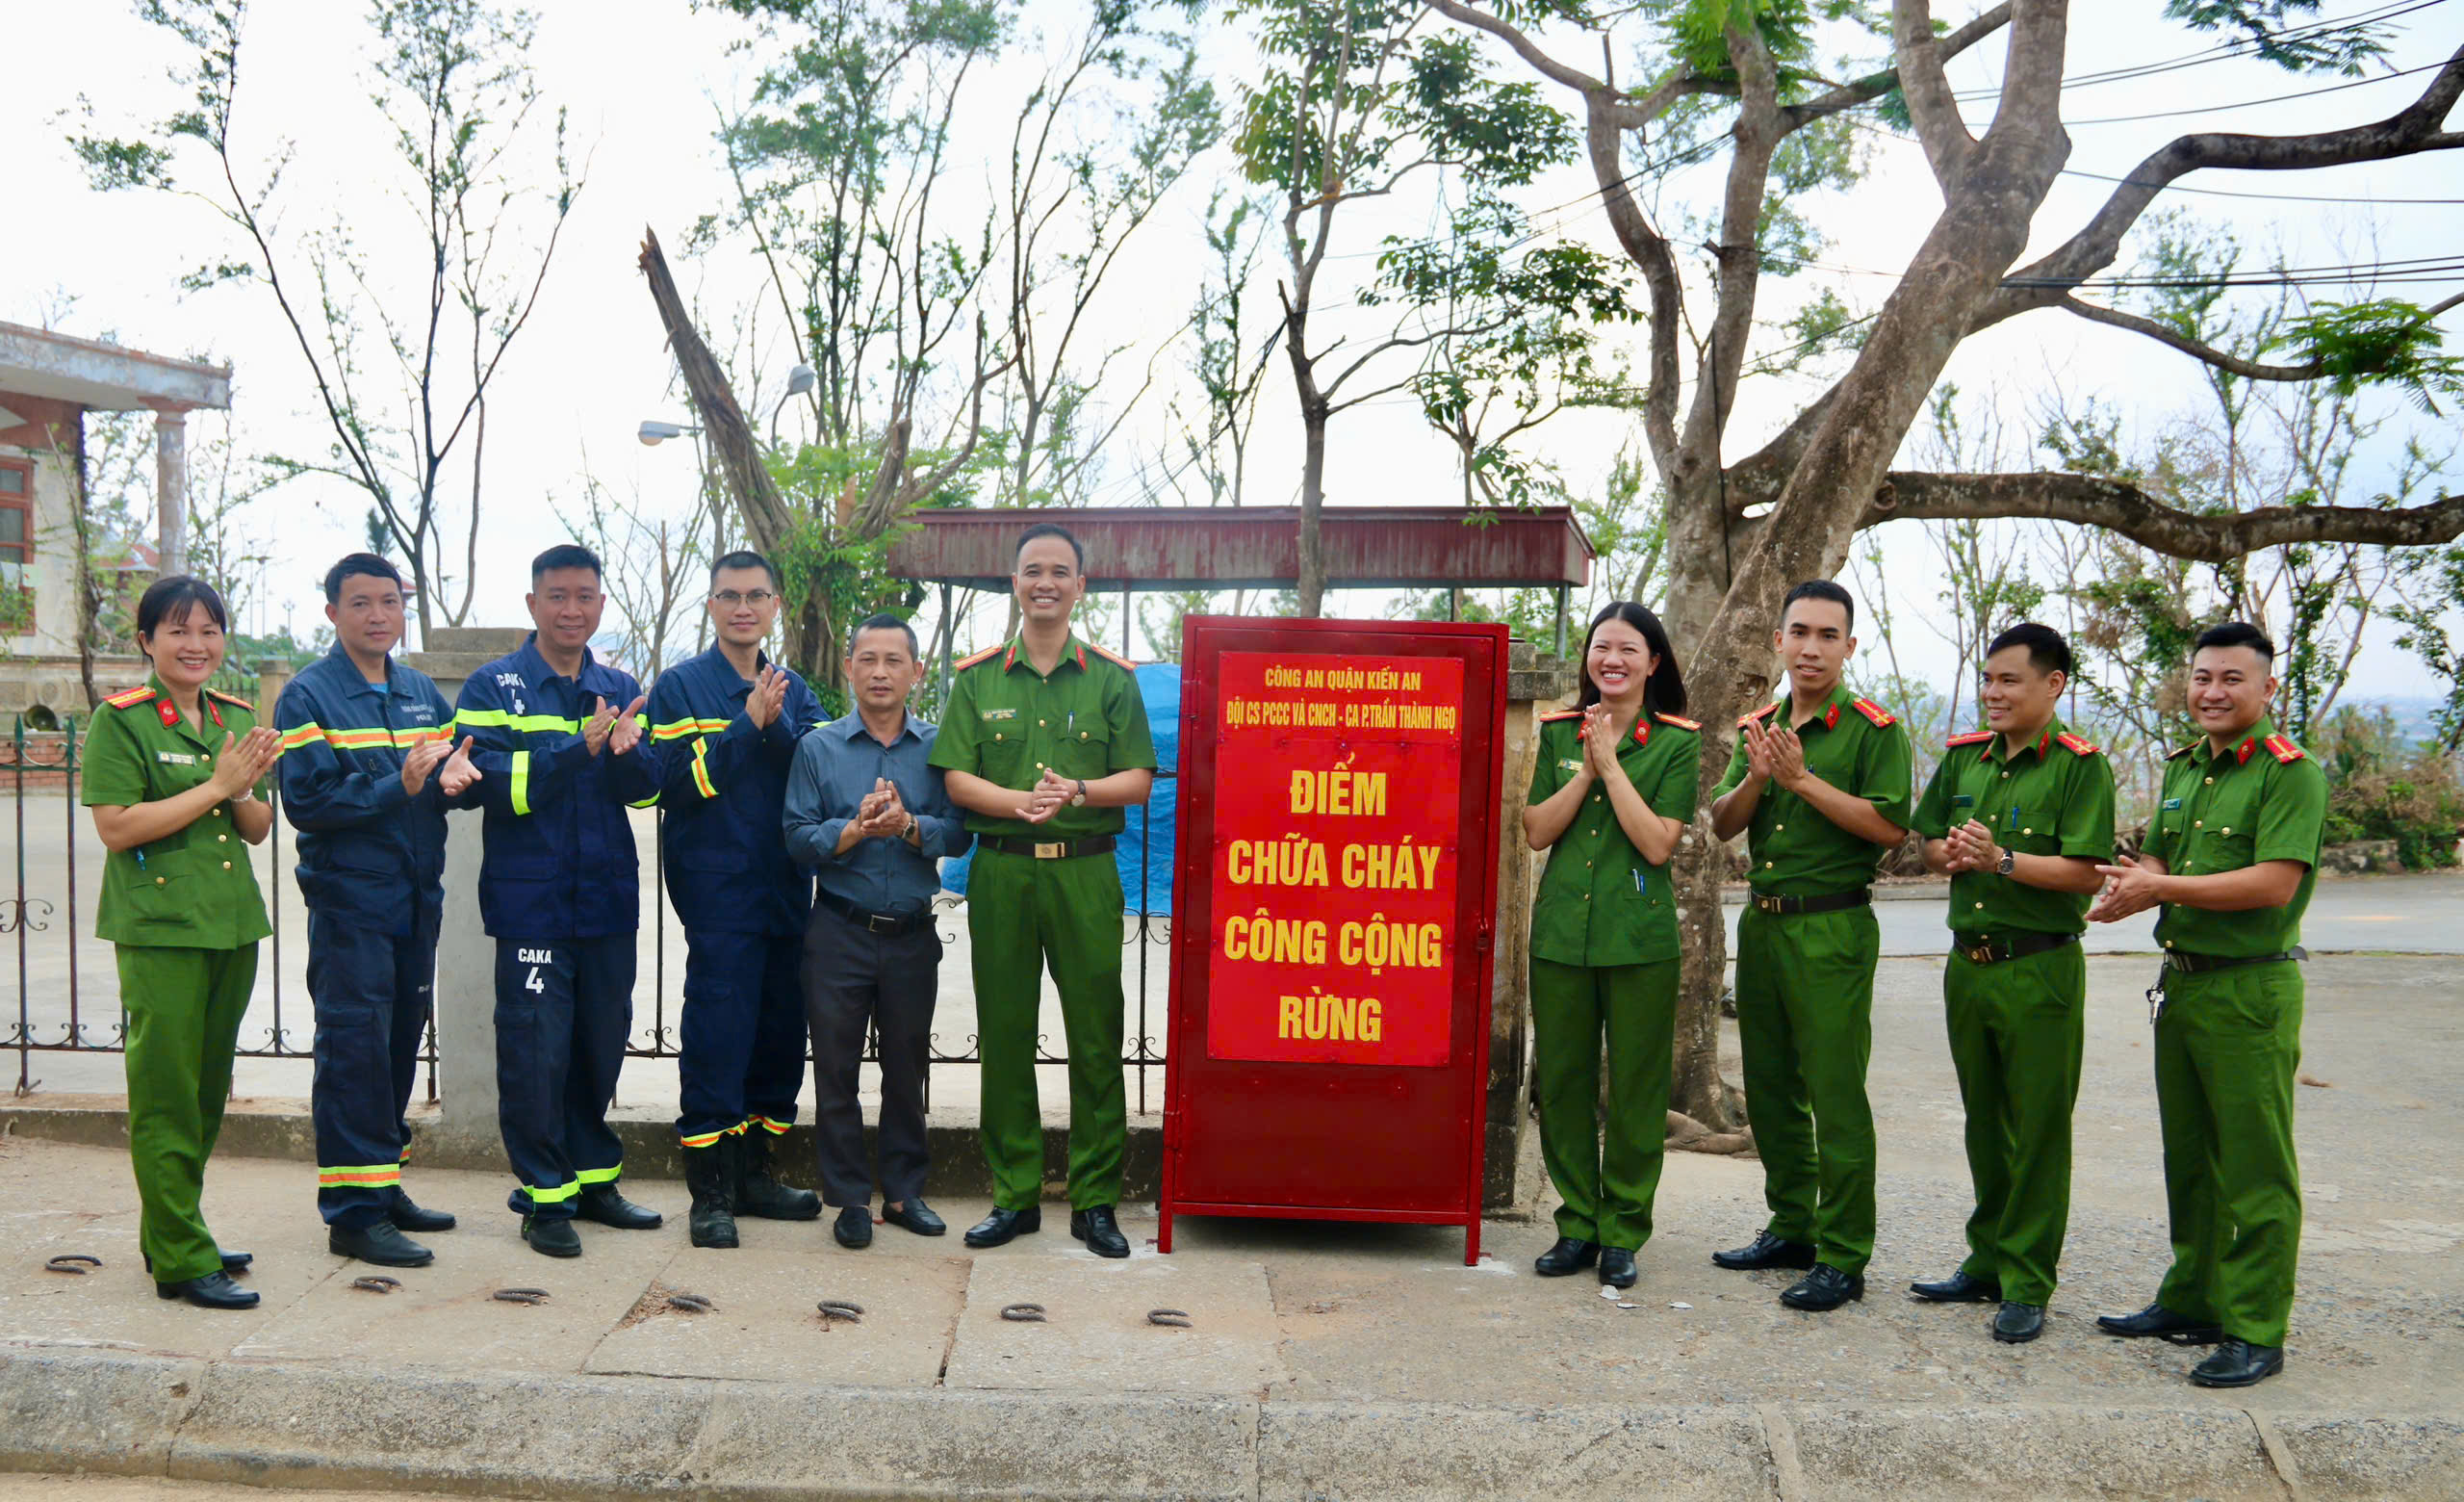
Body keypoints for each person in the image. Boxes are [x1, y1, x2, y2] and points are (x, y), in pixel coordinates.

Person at [2087, 622, 2324, 1389]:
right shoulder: (2189, 767)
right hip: (2182, 983)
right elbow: (2159, 850)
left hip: (2250, 986)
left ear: (2266, 689)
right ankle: (2194, 1298)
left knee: (2256, 1165)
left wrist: (2162, 887)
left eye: (2231, 680)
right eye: (2202, 679)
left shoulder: (2290, 774)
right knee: (2191, 1158)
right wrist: (2135, 884)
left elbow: (2274, 882)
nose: (2213, 693)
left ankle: (2255, 1328)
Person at [929, 523, 1155, 1256]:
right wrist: (1017, 804)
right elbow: (957, 777)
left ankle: (1095, 1201)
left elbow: (1139, 779)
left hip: (1086, 870)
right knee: (1005, 1034)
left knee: (1096, 1038)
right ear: (1015, 583)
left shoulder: (1112, 679)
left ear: (1080, 586)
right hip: (1002, 871)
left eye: (1061, 571)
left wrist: (1078, 789)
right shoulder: (979, 677)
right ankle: (1015, 1196)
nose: (1046, 582)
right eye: (1033, 570)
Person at [451, 544, 664, 1257]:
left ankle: (595, 1181)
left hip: (605, 901)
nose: (571, 609)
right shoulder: (494, 684)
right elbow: (486, 783)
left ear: (601, 605)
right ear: (533, 604)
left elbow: (648, 789)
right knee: (535, 1052)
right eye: (557, 596)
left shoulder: (619, 682)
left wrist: (629, 749)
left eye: (584, 596)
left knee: (600, 1044)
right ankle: (544, 1198)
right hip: (533, 904)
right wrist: (580, 749)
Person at [1707, 579, 1912, 1312]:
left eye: (1829, 635)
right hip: (1762, 924)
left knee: (1834, 1092)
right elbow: (1724, 823)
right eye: (1801, 632)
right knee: (1769, 1087)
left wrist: (1805, 781)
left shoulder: (1873, 729)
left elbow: (1891, 829)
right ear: (1779, 641)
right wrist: (1761, 777)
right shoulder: (1757, 725)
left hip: (1833, 927)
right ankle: (1792, 1224)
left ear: (1850, 646)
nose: (1813, 648)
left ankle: (1845, 1252)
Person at [1908, 623, 2116, 1344]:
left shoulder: (2079, 767)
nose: (1993, 694)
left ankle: (2028, 1280)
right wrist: (1954, 855)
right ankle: (1987, 1259)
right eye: (1988, 680)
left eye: (2009, 681)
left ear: (2052, 686)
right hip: (1971, 966)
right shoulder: (1966, 758)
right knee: (1984, 1120)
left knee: (2037, 1129)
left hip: (2040, 967)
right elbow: (1928, 840)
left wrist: (2000, 861)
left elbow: (2088, 872)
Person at [82, 576, 282, 1308]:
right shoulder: (121, 721)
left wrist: (240, 786)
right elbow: (116, 827)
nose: (196, 645)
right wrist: (216, 784)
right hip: (162, 930)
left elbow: (256, 829)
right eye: (177, 631)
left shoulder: (232, 717)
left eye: (208, 631)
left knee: (203, 1093)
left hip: (230, 923)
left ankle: (176, 1229)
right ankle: (179, 1255)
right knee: (166, 1095)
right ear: (146, 642)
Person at [274, 553, 478, 1269]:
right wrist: (401, 783)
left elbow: (450, 769)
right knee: (354, 1052)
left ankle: (383, 1184)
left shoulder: (420, 690)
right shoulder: (307, 697)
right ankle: (353, 1213)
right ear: (332, 612)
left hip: (417, 894)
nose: (376, 616)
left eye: (388, 602)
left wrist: (455, 776)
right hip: (351, 900)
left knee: (396, 1043)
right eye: (360, 604)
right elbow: (308, 801)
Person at [647, 551, 827, 1248]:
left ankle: (757, 1173)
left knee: (780, 1035)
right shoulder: (681, 687)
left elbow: (813, 770)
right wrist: (743, 725)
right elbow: (669, 786)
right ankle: (711, 1194)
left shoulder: (794, 687)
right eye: (729, 596)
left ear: (775, 604)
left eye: (756, 595)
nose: (743, 607)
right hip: (717, 890)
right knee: (720, 1037)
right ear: (712, 606)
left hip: (785, 886)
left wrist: (775, 719)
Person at [1521, 603, 1702, 1291]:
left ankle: (1624, 1230)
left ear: (1653, 663)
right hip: (1563, 935)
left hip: (1639, 941)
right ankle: (1577, 1226)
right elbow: (1537, 829)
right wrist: (1585, 772)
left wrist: (1613, 767)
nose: (1613, 661)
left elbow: (1658, 843)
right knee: (1562, 1084)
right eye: (1602, 648)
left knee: (1635, 1089)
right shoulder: (1558, 731)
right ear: (1588, 658)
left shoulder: (1677, 742)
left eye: (1629, 649)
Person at [784, 613, 970, 1250]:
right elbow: (797, 839)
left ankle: (903, 1190)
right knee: (835, 1071)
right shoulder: (819, 748)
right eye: (868, 659)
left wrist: (912, 828)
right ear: (849, 669)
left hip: (912, 934)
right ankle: (847, 1198)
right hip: (839, 930)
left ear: (916, 671)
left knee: (905, 1067)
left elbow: (958, 830)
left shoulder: (938, 748)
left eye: (895, 660)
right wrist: (856, 830)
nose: (881, 672)